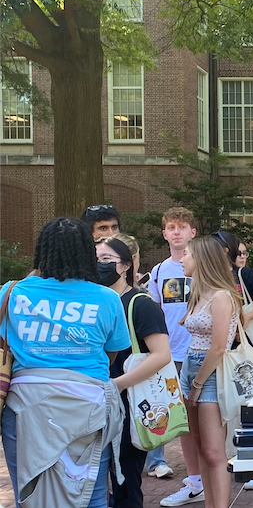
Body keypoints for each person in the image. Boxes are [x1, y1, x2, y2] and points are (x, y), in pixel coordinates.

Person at [1, 217, 131, 508]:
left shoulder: (11, 293)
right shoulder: (107, 298)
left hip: (25, 409)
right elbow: (113, 354)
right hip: (89, 407)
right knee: (92, 494)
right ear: (87, 253)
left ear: (41, 252)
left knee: (30, 494)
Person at [97, 236, 171, 508]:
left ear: (126, 265)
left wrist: (117, 384)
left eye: (106, 259)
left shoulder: (140, 303)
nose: (98, 265)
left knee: (125, 483)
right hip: (97, 403)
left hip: (130, 405)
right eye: (95, 259)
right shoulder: (97, 301)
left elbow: (162, 355)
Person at [177, 237, 242, 508]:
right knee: (200, 445)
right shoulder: (196, 292)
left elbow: (218, 347)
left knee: (215, 452)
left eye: (187, 255)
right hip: (191, 365)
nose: (182, 259)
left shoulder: (222, 296)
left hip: (211, 371)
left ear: (202, 260)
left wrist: (198, 384)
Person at [147, 207, 198, 497]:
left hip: (200, 350)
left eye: (182, 226)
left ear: (192, 232)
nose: (176, 232)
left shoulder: (201, 266)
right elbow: (156, 311)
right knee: (173, 413)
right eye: (171, 227)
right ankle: (175, 467)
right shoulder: (158, 271)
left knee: (207, 416)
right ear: (164, 233)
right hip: (171, 354)